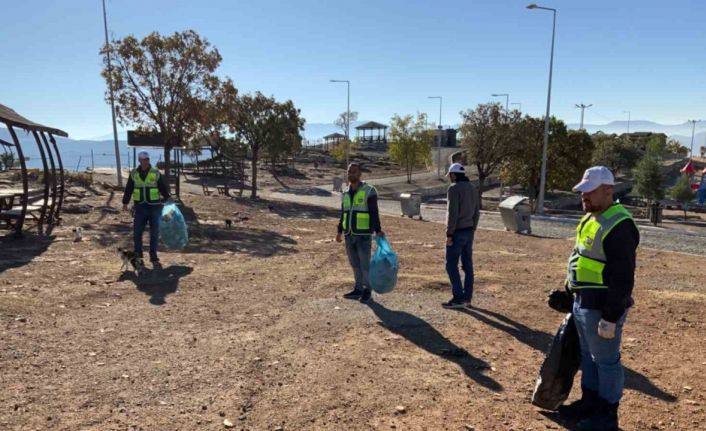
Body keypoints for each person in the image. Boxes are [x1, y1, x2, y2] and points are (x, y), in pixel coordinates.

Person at [556, 166, 640, 431]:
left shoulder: (620, 224)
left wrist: (611, 317)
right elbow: (580, 258)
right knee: (589, 357)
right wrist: (569, 292)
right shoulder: (591, 217)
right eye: (582, 191)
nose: (584, 196)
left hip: (603, 307)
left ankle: (607, 415)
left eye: (590, 191)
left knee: (606, 361)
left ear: (608, 190)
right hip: (584, 302)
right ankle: (589, 404)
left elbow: (623, 277)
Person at [336, 163, 384, 303]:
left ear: (360, 173)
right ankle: (358, 289)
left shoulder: (369, 190)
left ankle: (367, 290)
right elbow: (343, 213)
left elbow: (374, 212)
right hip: (349, 234)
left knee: (365, 265)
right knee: (355, 264)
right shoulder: (345, 192)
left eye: (354, 171)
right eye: (349, 171)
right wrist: (339, 231)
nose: (351, 174)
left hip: (363, 234)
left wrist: (378, 230)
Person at [122, 151, 171, 264]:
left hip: (155, 206)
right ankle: (138, 254)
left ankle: (153, 254)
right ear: (139, 160)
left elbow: (162, 187)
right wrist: (125, 202)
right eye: (143, 159)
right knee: (137, 231)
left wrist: (168, 198)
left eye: (147, 159)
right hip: (140, 206)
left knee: (154, 231)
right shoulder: (134, 173)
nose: (145, 161)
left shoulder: (155, 172)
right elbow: (129, 188)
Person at [443, 163, 480, 309]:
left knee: (451, 265)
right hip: (469, 230)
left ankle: (458, 297)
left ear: (453, 175)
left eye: (450, 175)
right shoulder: (473, 188)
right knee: (468, 265)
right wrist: (473, 228)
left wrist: (449, 234)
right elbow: (477, 212)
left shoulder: (454, 189)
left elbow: (453, 213)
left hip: (457, 231)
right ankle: (467, 298)